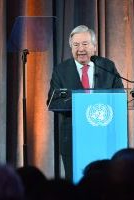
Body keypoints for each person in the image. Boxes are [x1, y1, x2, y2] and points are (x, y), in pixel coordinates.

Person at [47, 25, 124, 180]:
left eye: (85, 44)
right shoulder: (61, 70)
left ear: (94, 47)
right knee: (77, 185)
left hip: (104, 136)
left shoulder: (107, 66)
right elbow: (53, 102)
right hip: (74, 138)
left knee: (106, 183)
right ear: (71, 48)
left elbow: (120, 96)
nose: (80, 49)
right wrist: (83, 103)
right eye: (75, 45)